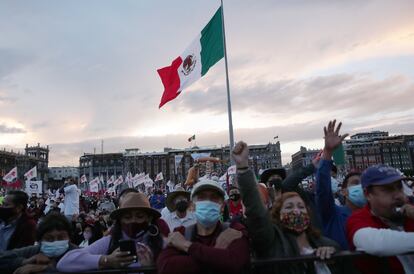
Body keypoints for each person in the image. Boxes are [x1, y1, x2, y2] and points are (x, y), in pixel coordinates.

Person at [233, 141, 351, 274]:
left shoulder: (325, 243)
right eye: (289, 207)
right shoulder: (273, 242)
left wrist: (334, 256)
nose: (296, 210)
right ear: (278, 215)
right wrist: (243, 168)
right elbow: (256, 211)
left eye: (301, 206)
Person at [157, 179, 250, 274]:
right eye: (202, 198)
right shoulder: (181, 232)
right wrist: (218, 257)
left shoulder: (235, 229)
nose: (208, 202)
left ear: (222, 207)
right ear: (192, 206)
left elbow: (236, 262)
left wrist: (187, 246)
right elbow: (165, 266)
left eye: (214, 198)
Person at [57, 192, 167, 272]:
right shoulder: (110, 241)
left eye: (139, 216)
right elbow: (64, 263)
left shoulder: (160, 242)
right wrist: (107, 260)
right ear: (120, 221)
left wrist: (151, 268)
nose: (133, 221)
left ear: (149, 218)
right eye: (127, 217)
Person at [346, 164, 414, 274]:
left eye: (399, 187)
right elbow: (375, 244)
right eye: (388, 189)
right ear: (367, 194)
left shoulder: (410, 212)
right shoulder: (358, 219)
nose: (398, 195)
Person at [315, 120, 366, 250]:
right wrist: (328, 152)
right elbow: (322, 189)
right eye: (355, 183)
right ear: (343, 191)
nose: (361, 187)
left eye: (363, 184)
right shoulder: (333, 214)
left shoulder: (377, 215)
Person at [0, 212, 76, 274]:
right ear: (40, 240)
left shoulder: (78, 254)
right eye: (49, 239)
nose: (55, 241)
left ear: (69, 238)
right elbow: (3, 258)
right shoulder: (34, 251)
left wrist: (46, 269)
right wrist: (24, 261)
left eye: (61, 237)